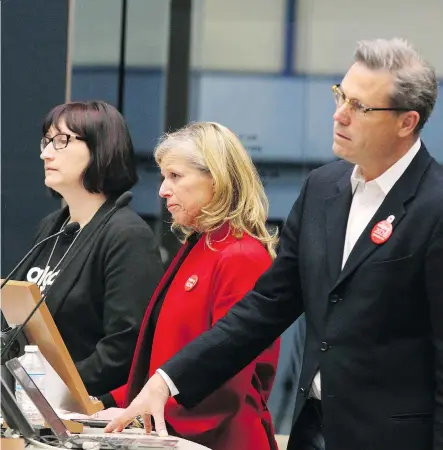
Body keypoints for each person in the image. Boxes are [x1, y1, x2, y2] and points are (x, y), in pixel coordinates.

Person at [106, 38, 443, 450]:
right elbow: (265, 307)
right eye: (341, 96)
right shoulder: (323, 189)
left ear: (406, 122)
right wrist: (167, 380)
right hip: (312, 429)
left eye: (360, 107)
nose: (339, 115)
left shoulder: (435, 204)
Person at [101, 122, 280, 450]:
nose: (162, 190)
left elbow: (226, 377)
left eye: (175, 176)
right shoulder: (201, 245)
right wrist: (102, 403)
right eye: (163, 177)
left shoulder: (240, 254)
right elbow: (165, 363)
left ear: (216, 178)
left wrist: (146, 417)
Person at [14, 100, 164, 396]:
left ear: (101, 148)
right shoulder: (52, 227)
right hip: (31, 403)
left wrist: (45, 389)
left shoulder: (127, 235)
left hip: (87, 412)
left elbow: (123, 350)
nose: (45, 153)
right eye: (46, 141)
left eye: (61, 141)